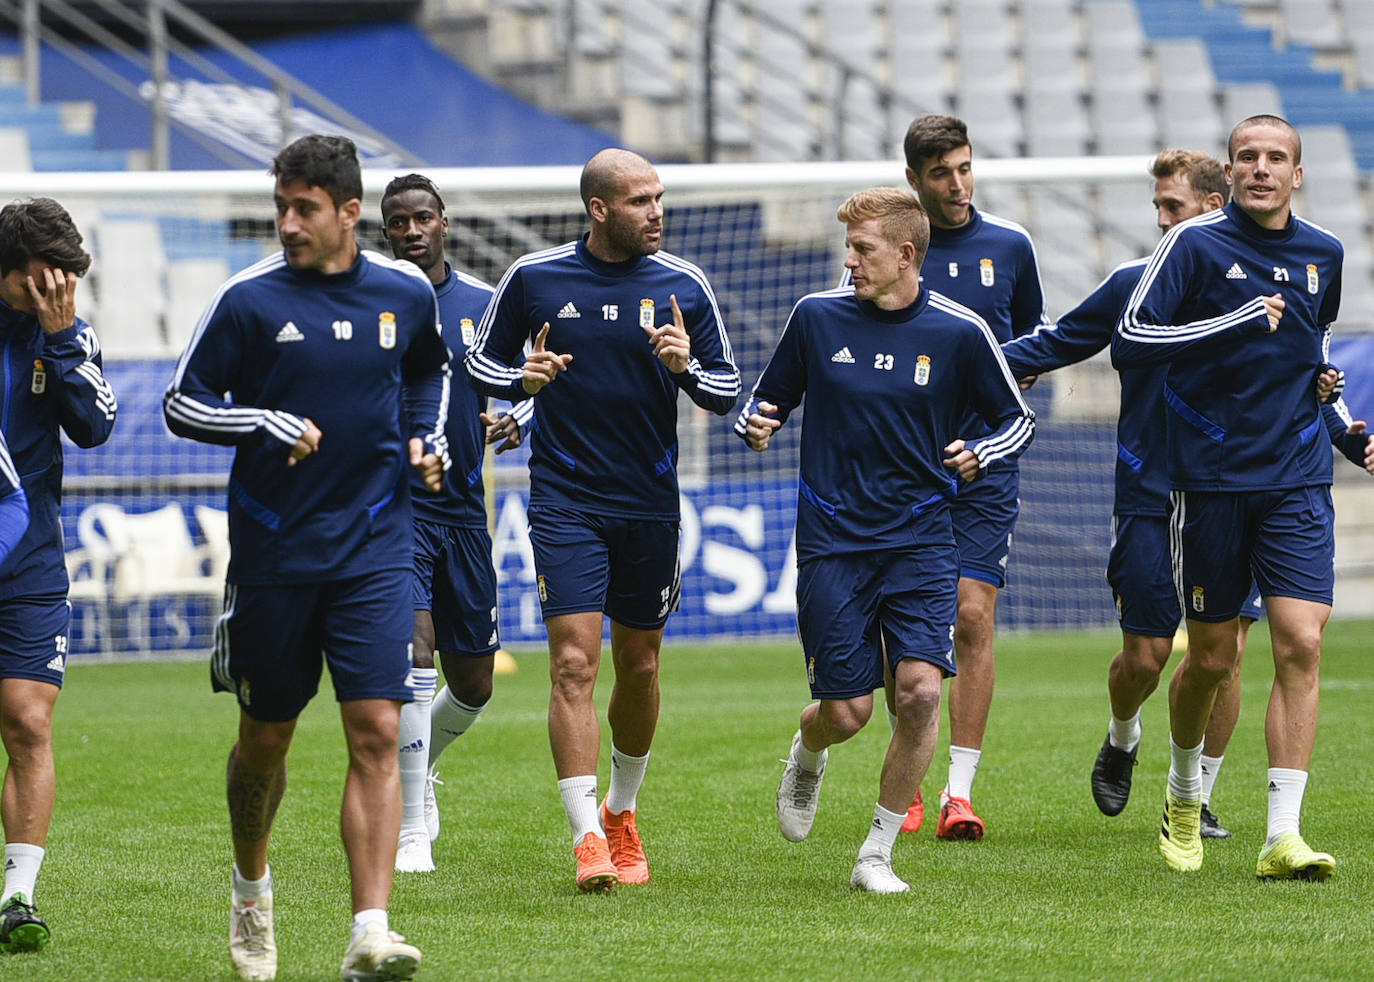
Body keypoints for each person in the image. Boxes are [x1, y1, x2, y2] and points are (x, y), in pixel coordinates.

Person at [1001, 150, 1363, 839]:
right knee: (1145, 656)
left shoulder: (1279, 286)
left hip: (1242, 486)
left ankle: (1197, 797)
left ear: (1213, 204)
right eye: (1157, 209)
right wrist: (974, 373)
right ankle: (1123, 733)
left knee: (1222, 655)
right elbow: (1056, 343)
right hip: (1151, 486)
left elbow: (1311, 372)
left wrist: (1344, 429)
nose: (1163, 221)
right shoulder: (1137, 285)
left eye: (1174, 208)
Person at [164, 135, 446, 980]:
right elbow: (182, 403)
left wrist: (424, 438)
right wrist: (261, 419)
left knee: (378, 729)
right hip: (276, 555)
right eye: (280, 207)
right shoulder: (247, 301)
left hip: (377, 546)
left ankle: (371, 929)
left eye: (304, 209)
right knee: (266, 739)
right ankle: (252, 889)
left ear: (349, 212)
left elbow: (428, 375)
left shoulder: (403, 293)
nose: (287, 223)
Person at [742, 187, 1033, 891]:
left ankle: (875, 853)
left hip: (924, 541)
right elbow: (767, 396)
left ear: (906, 255)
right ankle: (809, 751)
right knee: (849, 712)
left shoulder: (960, 332)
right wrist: (759, 421)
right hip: (833, 542)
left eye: (862, 249)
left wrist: (981, 453)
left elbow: (1016, 420)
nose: (849, 261)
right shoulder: (816, 317)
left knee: (921, 694)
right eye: (848, 247)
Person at [466, 147, 740, 892]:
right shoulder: (534, 278)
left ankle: (623, 812)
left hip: (649, 503)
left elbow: (728, 391)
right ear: (599, 210)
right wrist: (521, 381)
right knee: (574, 664)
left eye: (659, 198)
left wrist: (685, 368)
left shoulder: (683, 284)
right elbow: (477, 366)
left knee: (641, 663)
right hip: (564, 499)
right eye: (640, 201)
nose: (656, 212)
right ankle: (588, 837)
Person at [1114, 115, 1373, 879]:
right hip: (1213, 482)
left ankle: (1281, 837)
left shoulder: (1325, 253)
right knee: (1214, 659)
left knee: (1301, 641)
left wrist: (1348, 432)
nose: (1261, 168)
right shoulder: (1193, 246)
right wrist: (1227, 323)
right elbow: (1132, 334)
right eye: (1248, 157)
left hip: (1295, 479)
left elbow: (1311, 358)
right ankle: (1184, 795)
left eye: (1277, 158)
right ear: (1229, 173)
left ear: (1298, 175)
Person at [858, 114, 1049, 839]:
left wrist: (1012, 385)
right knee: (903, 624)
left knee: (972, 613)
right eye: (942, 173)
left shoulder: (1011, 245)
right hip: (901, 466)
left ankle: (957, 792)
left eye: (966, 168)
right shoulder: (888, 250)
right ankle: (907, 766)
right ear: (914, 180)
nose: (959, 184)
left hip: (987, 460)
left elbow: (1034, 339)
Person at [380, 173, 531, 874]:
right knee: (413, 652)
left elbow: (531, 381)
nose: (410, 232)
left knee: (473, 683)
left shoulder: (483, 304)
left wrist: (518, 416)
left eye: (421, 219)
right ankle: (410, 827)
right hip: (392, 510)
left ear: (444, 223)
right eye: (397, 223)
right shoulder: (371, 300)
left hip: (466, 515)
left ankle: (421, 767)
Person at [0, 197, 110, 954]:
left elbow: (95, 426)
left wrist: (63, 337)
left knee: (28, 721)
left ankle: (17, 895)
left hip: (30, 560)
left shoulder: (66, 330)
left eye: (67, 282)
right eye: (45, 282)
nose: (58, 293)